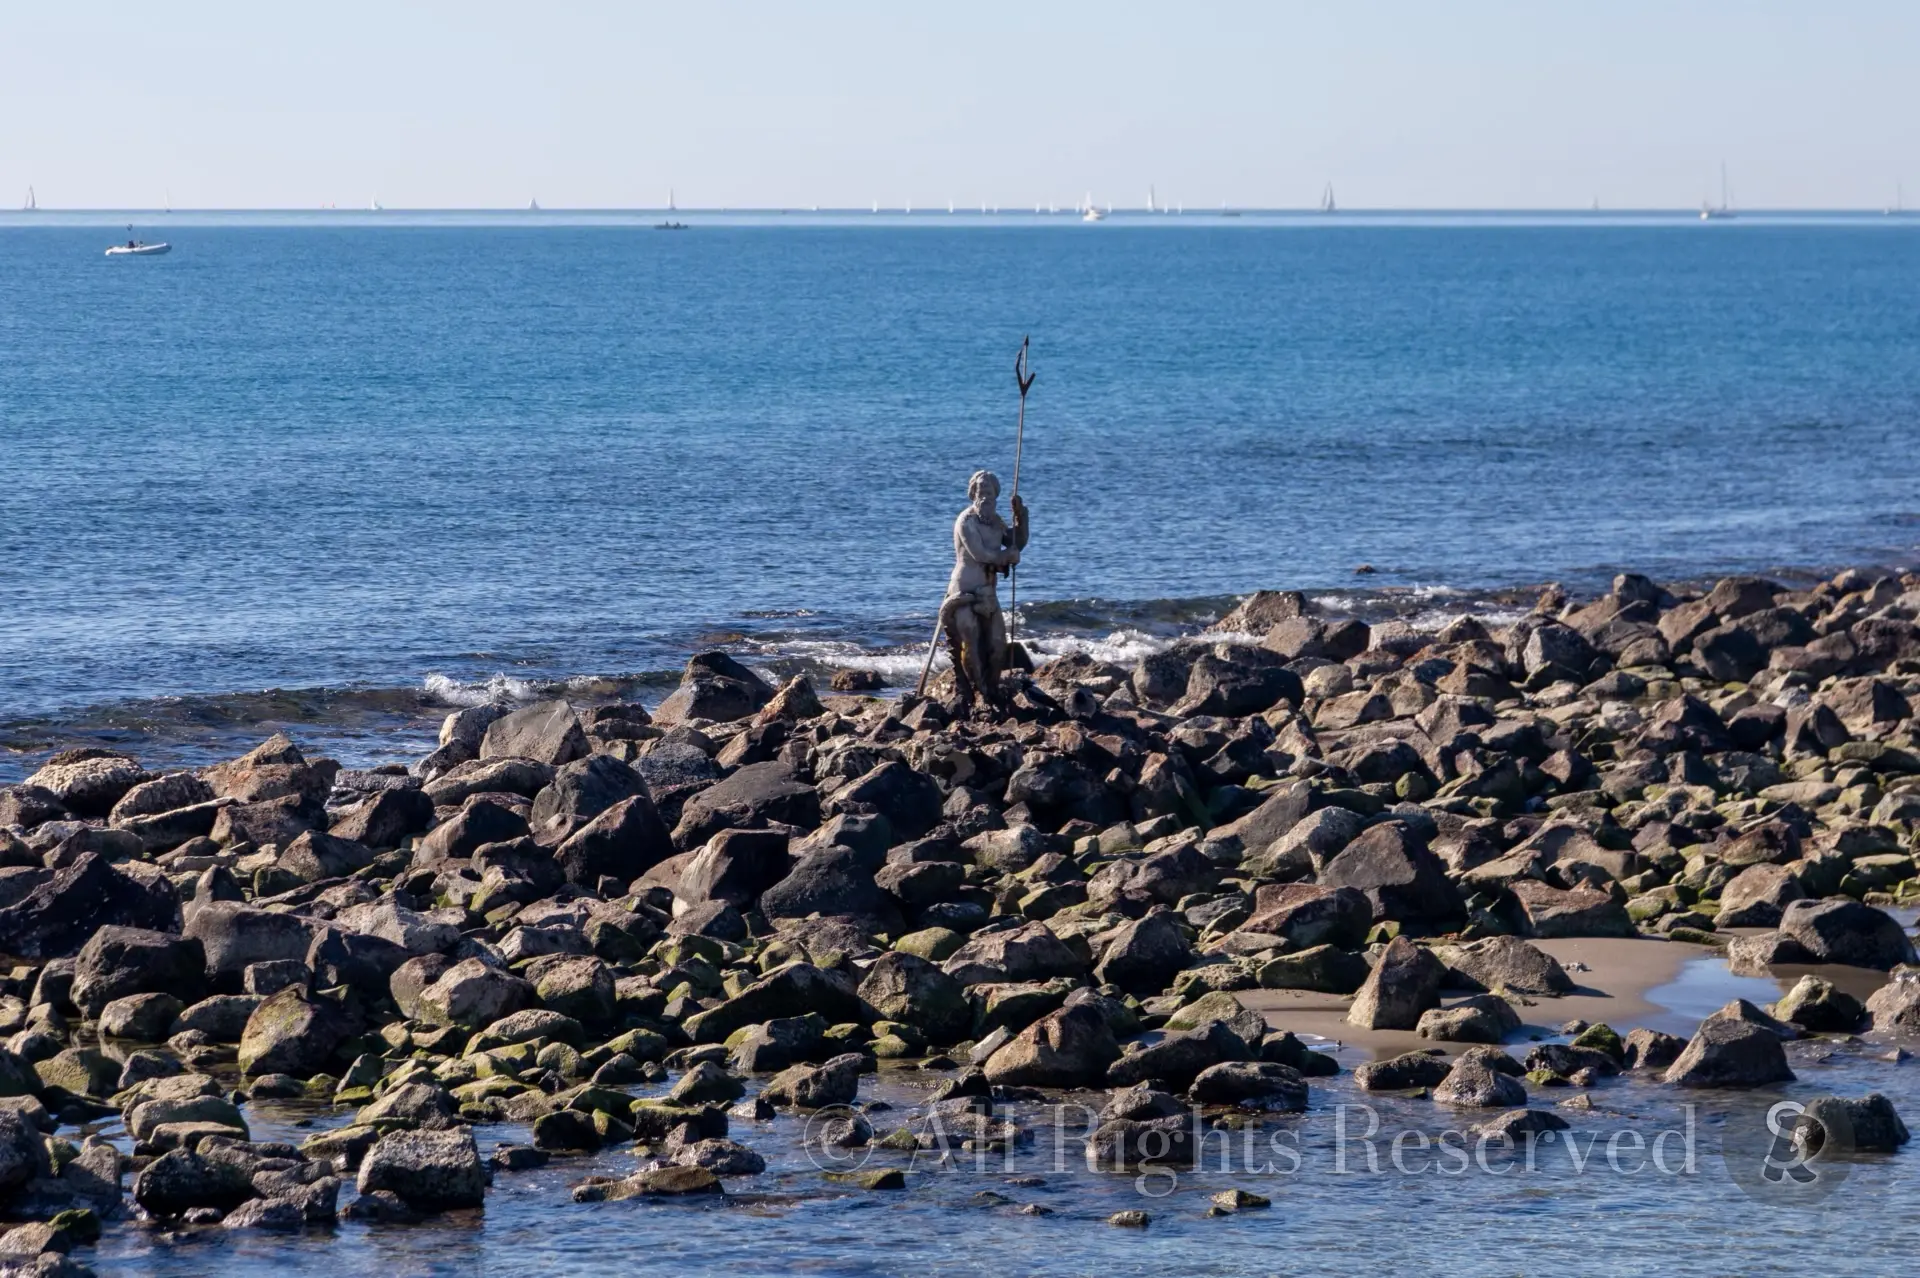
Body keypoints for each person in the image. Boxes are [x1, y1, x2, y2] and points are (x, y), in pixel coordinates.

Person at [938, 469, 1028, 710]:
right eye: (980, 491)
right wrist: (1006, 556)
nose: (985, 496)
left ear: (996, 495)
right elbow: (981, 555)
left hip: (988, 593)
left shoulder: (996, 522)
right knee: (972, 643)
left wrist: (1021, 518)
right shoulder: (966, 521)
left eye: (989, 492)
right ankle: (978, 694)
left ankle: (992, 688)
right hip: (964, 589)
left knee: (998, 642)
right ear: (972, 494)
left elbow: (1015, 542)